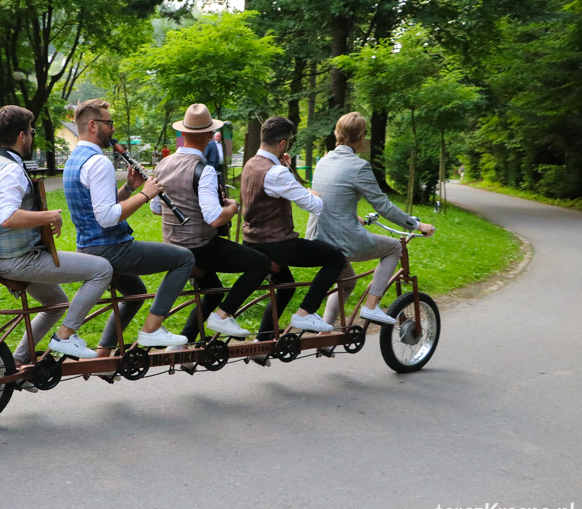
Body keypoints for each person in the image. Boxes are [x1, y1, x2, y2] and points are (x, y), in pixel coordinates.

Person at [63, 98, 194, 355]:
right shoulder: (99, 162)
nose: (112, 129)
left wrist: (130, 189)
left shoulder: (75, 158)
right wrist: (145, 194)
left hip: (89, 246)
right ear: (92, 125)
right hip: (112, 248)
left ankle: (103, 354)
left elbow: (98, 207)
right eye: (108, 123)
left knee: (135, 292)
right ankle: (152, 330)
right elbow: (107, 217)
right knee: (185, 259)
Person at [0, 105, 113, 367]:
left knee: (56, 303)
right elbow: (7, 217)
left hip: (8, 257)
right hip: (20, 259)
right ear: (22, 135)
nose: (32, 136)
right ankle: (66, 336)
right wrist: (49, 216)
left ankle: (18, 360)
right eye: (31, 131)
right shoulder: (10, 170)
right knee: (102, 269)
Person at [152, 103, 270, 342]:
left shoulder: (162, 165)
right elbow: (215, 218)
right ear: (208, 135)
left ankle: (181, 346)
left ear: (183, 134)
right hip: (200, 246)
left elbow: (156, 208)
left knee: (213, 292)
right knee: (262, 264)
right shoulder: (203, 170)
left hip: (173, 246)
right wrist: (233, 208)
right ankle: (224, 316)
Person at [305, 112, 434, 327]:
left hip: (317, 237)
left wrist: (350, 215)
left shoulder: (323, 161)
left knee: (348, 283)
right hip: (341, 239)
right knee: (394, 247)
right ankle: (372, 306)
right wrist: (417, 225)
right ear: (362, 136)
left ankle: (325, 335)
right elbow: (383, 206)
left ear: (337, 133)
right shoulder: (358, 166)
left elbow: (329, 197)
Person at [241, 116, 347, 338]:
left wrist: (285, 168)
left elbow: (273, 187)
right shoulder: (277, 172)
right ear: (282, 144)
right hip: (278, 244)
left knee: (286, 285)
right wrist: (312, 192)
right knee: (335, 259)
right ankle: (306, 313)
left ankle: (264, 338)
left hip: (252, 242)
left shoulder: (251, 164)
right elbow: (314, 205)